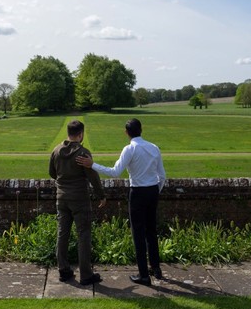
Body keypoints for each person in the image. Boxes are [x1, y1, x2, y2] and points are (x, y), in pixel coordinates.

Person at [76, 118, 166, 286]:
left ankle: (144, 275)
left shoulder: (130, 149)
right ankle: (156, 269)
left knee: (138, 233)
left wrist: (92, 164)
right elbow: (162, 176)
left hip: (138, 192)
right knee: (151, 231)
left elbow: (115, 172)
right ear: (141, 130)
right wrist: (155, 191)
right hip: (153, 190)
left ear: (126, 133)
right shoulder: (154, 148)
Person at [49, 120, 106, 286]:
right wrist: (101, 195)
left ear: (68, 133)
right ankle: (86, 274)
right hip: (80, 198)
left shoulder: (57, 151)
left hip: (61, 198)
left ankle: (63, 270)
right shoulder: (82, 153)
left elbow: (52, 172)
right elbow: (93, 177)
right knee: (83, 235)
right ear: (81, 134)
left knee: (62, 233)